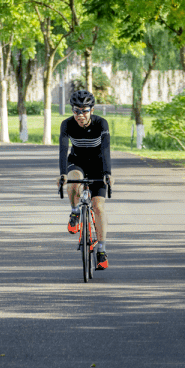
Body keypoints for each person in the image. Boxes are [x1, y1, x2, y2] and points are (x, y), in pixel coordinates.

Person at [58, 87, 112, 270]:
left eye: (84, 111)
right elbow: (62, 149)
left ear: (92, 111)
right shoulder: (67, 124)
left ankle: (102, 251)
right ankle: (75, 212)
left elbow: (106, 150)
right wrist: (62, 174)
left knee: (98, 207)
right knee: (73, 181)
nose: (80, 115)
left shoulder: (101, 124)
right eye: (76, 110)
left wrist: (108, 174)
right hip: (77, 162)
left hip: (98, 165)